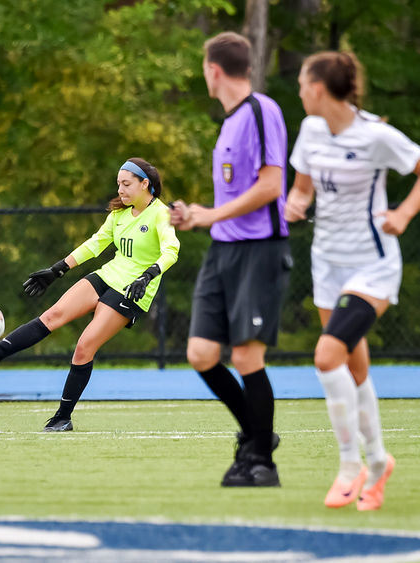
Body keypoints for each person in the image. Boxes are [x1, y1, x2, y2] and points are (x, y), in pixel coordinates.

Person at [285, 51, 420, 510]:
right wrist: (295, 203)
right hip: (327, 264)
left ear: (319, 89)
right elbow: (302, 186)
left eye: (303, 84)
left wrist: (403, 213)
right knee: (353, 368)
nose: (300, 91)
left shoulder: (376, 136)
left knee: (326, 356)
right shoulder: (310, 129)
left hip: (372, 267)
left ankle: (351, 465)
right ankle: (380, 462)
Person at [0, 158, 180, 431]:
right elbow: (95, 244)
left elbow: (171, 251)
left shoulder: (161, 214)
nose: (120, 190)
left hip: (132, 289)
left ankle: (63, 417)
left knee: (84, 345)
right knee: (52, 315)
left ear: (145, 184)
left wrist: (148, 275)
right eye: (118, 184)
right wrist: (57, 270)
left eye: (126, 184)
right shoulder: (119, 214)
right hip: (107, 275)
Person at [169, 32, 290, 487]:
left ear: (214, 70)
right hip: (224, 250)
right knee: (200, 354)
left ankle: (261, 461)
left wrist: (210, 215)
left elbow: (271, 185)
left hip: (259, 250)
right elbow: (235, 195)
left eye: (203, 68)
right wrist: (194, 214)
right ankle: (259, 435)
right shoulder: (229, 122)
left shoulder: (261, 111)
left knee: (245, 356)